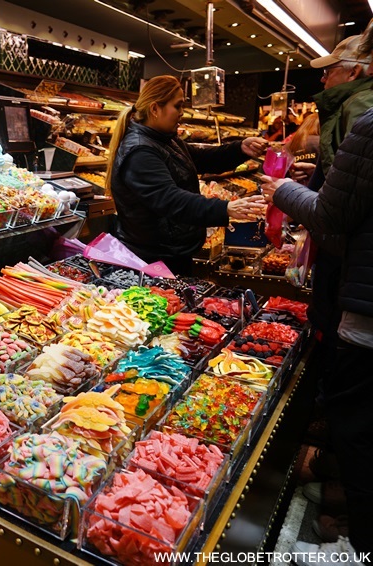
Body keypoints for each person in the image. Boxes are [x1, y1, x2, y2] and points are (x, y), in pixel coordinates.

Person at [260, 22, 373, 566]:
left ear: (360, 69)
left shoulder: (364, 120)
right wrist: (322, 176)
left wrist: (285, 190)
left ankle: (358, 526)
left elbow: (334, 217)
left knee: (358, 419)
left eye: (331, 68)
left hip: (364, 297)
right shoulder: (355, 117)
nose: (324, 76)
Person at [105, 75, 267, 275]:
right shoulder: (140, 152)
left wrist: (240, 149)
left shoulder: (166, 140)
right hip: (153, 258)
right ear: (155, 109)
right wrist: (224, 208)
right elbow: (170, 199)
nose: (182, 113)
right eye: (178, 106)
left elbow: (203, 158)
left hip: (171, 250)